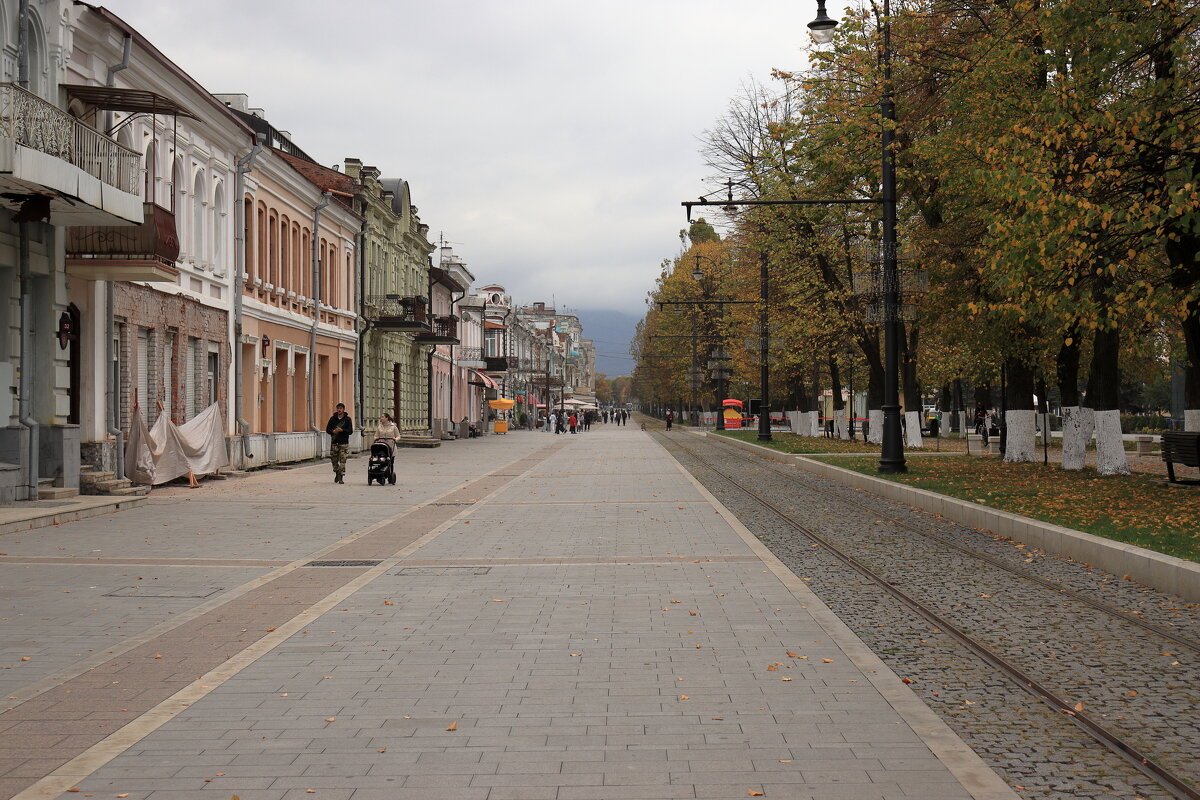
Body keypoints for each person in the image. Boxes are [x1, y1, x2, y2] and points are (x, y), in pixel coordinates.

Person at [325, 403, 353, 484]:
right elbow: (327, 429)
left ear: (344, 409)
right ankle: (337, 472)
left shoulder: (347, 419)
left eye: (341, 408)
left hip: (343, 443)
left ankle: (341, 476)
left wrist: (342, 430)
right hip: (334, 442)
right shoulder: (333, 419)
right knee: (334, 460)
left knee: (343, 460)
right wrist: (333, 431)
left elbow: (350, 431)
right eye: (338, 408)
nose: (339, 410)